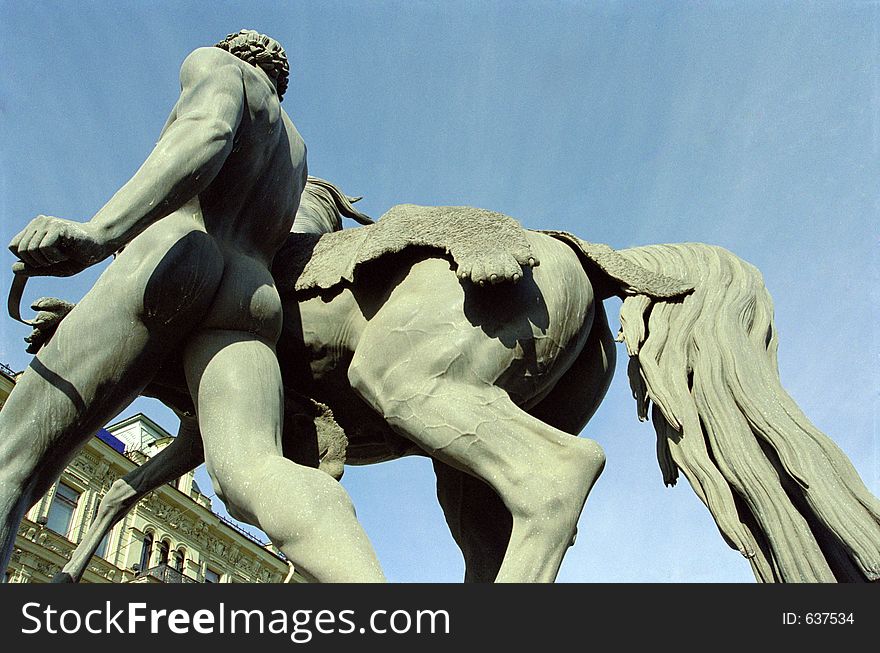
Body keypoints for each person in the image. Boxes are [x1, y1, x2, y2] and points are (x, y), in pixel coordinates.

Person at [0, 30, 384, 582]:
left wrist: (99, 233)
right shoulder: (297, 152)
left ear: (236, 50)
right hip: (250, 298)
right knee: (255, 472)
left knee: (15, 456)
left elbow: (209, 131)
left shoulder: (216, 66)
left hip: (175, 256)